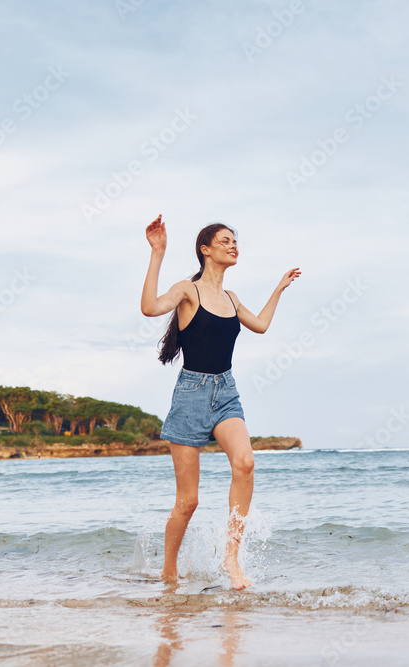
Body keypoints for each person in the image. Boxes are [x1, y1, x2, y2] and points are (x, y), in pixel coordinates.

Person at [140, 214, 301, 590]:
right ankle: (169, 570)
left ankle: (231, 557)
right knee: (188, 501)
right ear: (205, 249)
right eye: (225, 240)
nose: (233, 245)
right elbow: (149, 307)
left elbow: (260, 325)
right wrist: (157, 252)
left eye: (235, 241)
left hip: (226, 392)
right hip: (191, 395)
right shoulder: (187, 291)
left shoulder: (231, 298)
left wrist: (278, 288)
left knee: (245, 463)